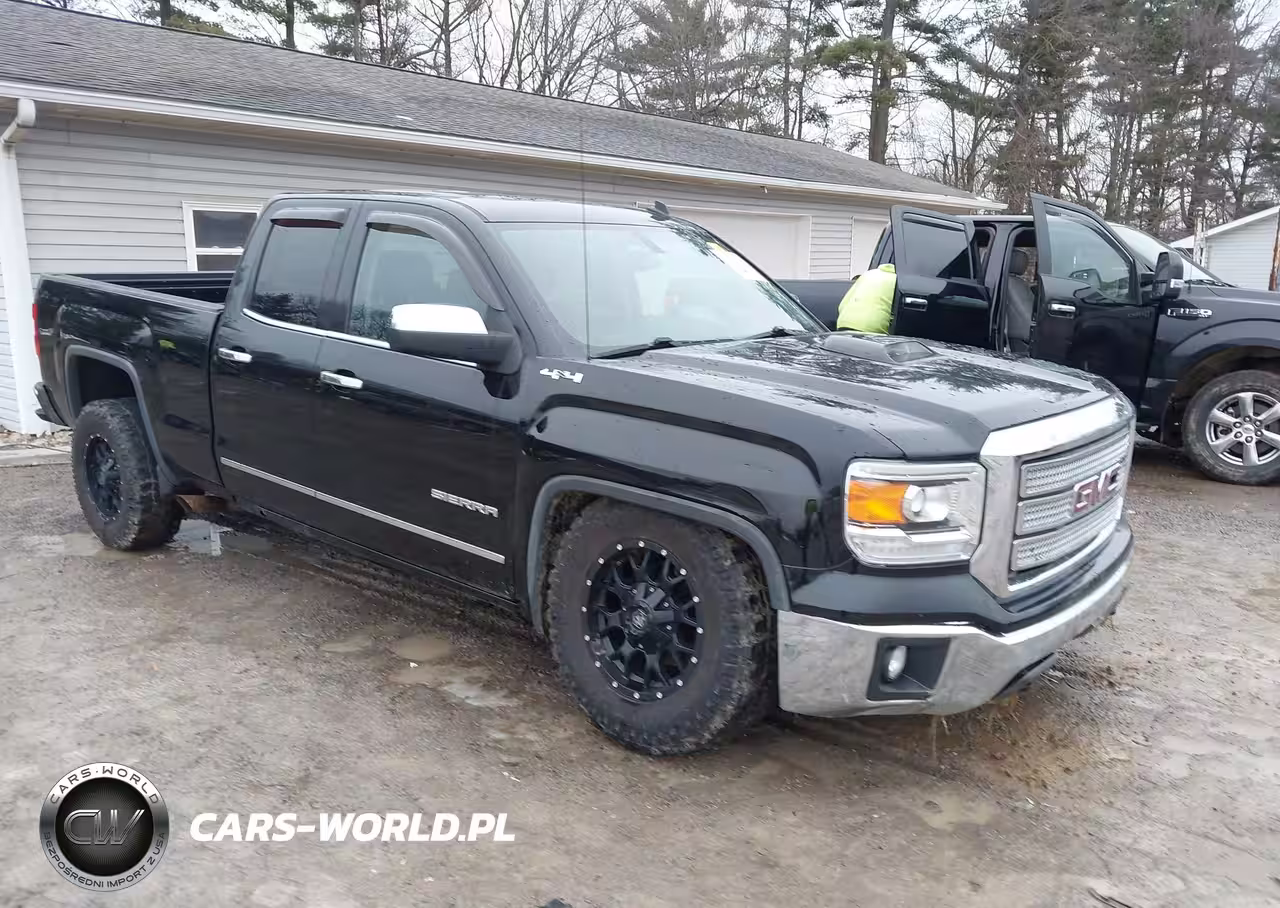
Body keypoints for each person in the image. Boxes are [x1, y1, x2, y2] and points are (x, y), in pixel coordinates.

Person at [836, 263, 896, 334]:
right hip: (872, 328)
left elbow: (843, 304)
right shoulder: (897, 280)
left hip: (844, 323)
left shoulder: (867, 274)